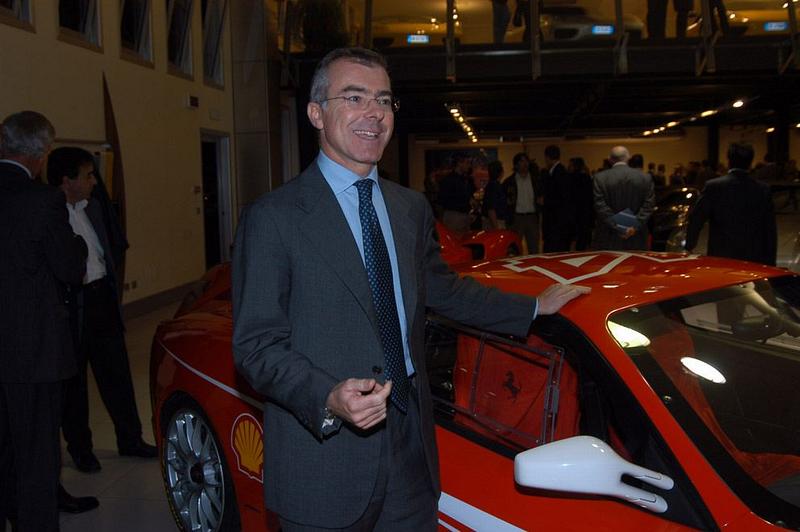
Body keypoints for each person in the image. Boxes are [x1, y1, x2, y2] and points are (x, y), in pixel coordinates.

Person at [231, 47, 589, 531]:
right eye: (354, 98)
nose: (374, 113)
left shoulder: (409, 208)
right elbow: (256, 346)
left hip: (409, 445)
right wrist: (327, 395)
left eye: (384, 100)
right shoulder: (273, 218)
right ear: (316, 113)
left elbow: (444, 291)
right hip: (324, 457)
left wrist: (532, 307)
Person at [0, 111, 91, 531]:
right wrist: (78, 244)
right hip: (32, 349)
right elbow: (70, 267)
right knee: (36, 452)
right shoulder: (42, 200)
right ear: (42, 153)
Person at [46, 147, 156, 474]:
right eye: (88, 175)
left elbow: (108, 250)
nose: (94, 181)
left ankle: (130, 438)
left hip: (101, 300)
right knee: (75, 384)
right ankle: (81, 449)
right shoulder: (50, 214)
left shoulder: (93, 208)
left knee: (117, 374)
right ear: (67, 181)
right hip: (73, 306)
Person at [686, 142, 776, 266]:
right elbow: (769, 228)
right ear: (751, 162)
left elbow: (697, 218)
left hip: (722, 254)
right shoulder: (763, 189)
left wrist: (689, 245)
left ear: (729, 160)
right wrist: (770, 261)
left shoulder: (714, 186)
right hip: (753, 256)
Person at [591, 145, 655, 251]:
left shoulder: (599, 178)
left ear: (610, 159)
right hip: (636, 236)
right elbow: (648, 205)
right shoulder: (645, 178)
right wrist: (631, 227)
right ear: (628, 158)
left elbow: (600, 206)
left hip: (608, 236)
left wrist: (620, 226)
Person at [503, 152, 539, 253]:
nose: (525, 163)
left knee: (534, 248)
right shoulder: (509, 182)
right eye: (522, 161)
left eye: (526, 161)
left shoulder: (535, 180)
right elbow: (505, 201)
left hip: (532, 217)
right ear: (516, 164)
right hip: (516, 218)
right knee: (515, 248)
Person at [541, 144, 574, 252]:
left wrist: (545, 201)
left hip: (556, 223)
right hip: (560, 223)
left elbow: (560, 198)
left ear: (547, 157)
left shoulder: (557, 173)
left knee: (554, 250)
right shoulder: (561, 172)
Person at [437, 152, 475, 233]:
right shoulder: (449, 180)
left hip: (463, 215)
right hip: (453, 215)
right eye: (467, 163)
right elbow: (441, 202)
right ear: (459, 163)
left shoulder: (465, 180)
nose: (469, 166)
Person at [569, 157, 594, 251]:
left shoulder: (570, 178)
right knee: (583, 239)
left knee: (573, 238)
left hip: (573, 213)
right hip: (585, 213)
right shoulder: (587, 178)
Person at [482, 160, 509, 229]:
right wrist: (496, 227)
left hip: (494, 220)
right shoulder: (494, 187)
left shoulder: (492, 186)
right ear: (501, 173)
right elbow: (491, 209)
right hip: (495, 221)